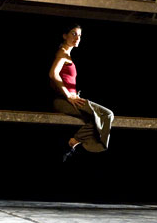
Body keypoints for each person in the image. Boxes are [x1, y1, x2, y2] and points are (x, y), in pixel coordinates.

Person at [49, 24, 114, 162]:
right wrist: (68, 95)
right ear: (64, 36)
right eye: (73, 34)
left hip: (69, 98)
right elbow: (53, 74)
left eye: (79, 35)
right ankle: (75, 142)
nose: (77, 38)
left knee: (96, 118)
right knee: (106, 114)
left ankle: (72, 143)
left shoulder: (68, 55)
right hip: (63, 100)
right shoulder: (62, 53)